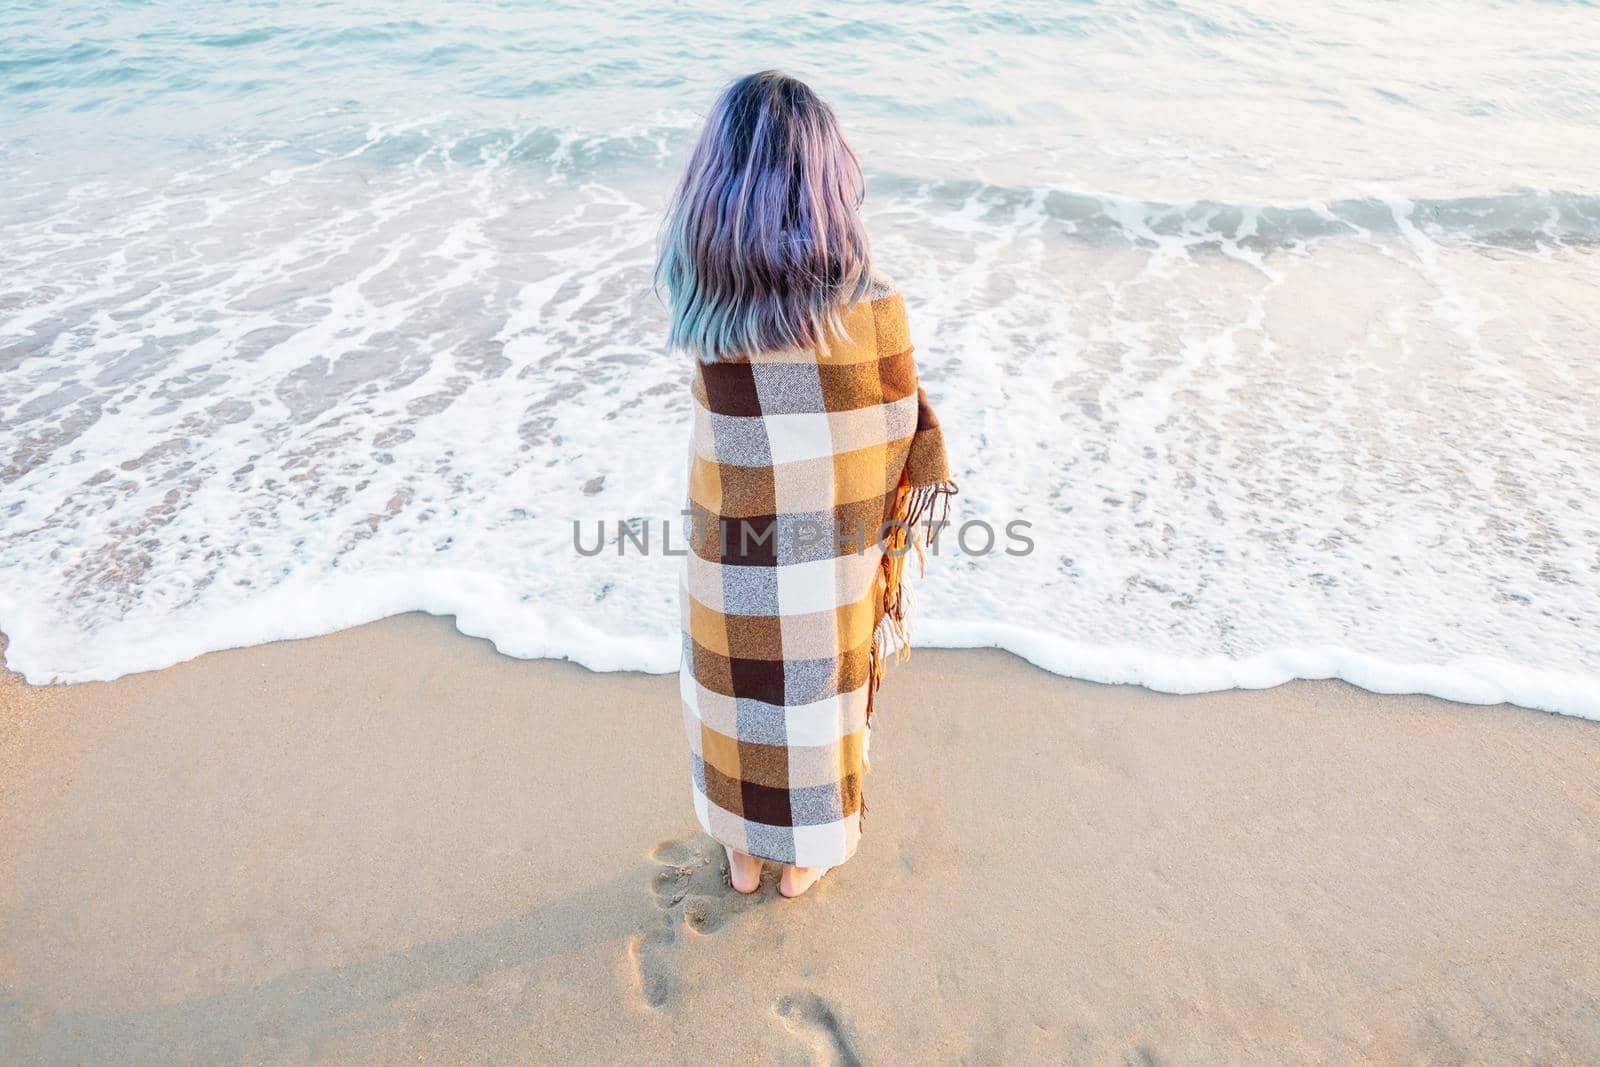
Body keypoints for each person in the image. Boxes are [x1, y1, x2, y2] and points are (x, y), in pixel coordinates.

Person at [656, 71, 955, 898]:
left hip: (732, 556)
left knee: (733, 689)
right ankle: (806, 854)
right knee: (819, 690)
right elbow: (892, 429)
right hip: (828, 563)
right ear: (829, 185)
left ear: (714, 186)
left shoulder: (704, 301)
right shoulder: (872, 309)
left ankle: (743, 856)